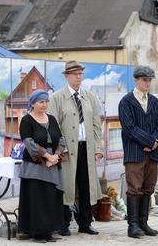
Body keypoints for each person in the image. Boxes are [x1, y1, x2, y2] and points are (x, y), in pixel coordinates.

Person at [49, 60, 104, 235]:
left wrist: (98, 148)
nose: (78, 77)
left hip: (86, 148)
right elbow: (53, 126)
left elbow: (97, 125)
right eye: (74, 74)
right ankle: (64, 224)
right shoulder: (57, 98)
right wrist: (60, 150)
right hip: (67, 151)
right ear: (66, 76)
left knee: (86, 185)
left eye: (80, 74)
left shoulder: (89, 97)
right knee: (67, 186)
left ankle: (85, 223)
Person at [118, 65, 158, 238]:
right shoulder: (126, 101)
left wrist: (153, 142)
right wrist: (147, 141)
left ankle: (144, 223)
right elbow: (129, 128)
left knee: (148, 188)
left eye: (149, 80)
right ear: (136, 80)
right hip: (134, 153)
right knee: (134, 189)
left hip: (151, 153)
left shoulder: (153, 100)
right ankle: (133, 226)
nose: (147, 82)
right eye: (144, 79)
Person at [18, 89, 66, 243]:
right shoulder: (26, 120)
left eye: (46, 101)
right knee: (37, 199)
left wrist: (56, 156)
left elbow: (61, 139)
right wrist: (47, 156)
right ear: (33, 103)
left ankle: (48, 231)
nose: (45, 104)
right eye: (41, 102)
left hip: (53, 164)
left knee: (51, 198)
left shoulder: (52, 119)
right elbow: (29, 143)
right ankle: (37, 232)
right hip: (35, 167)